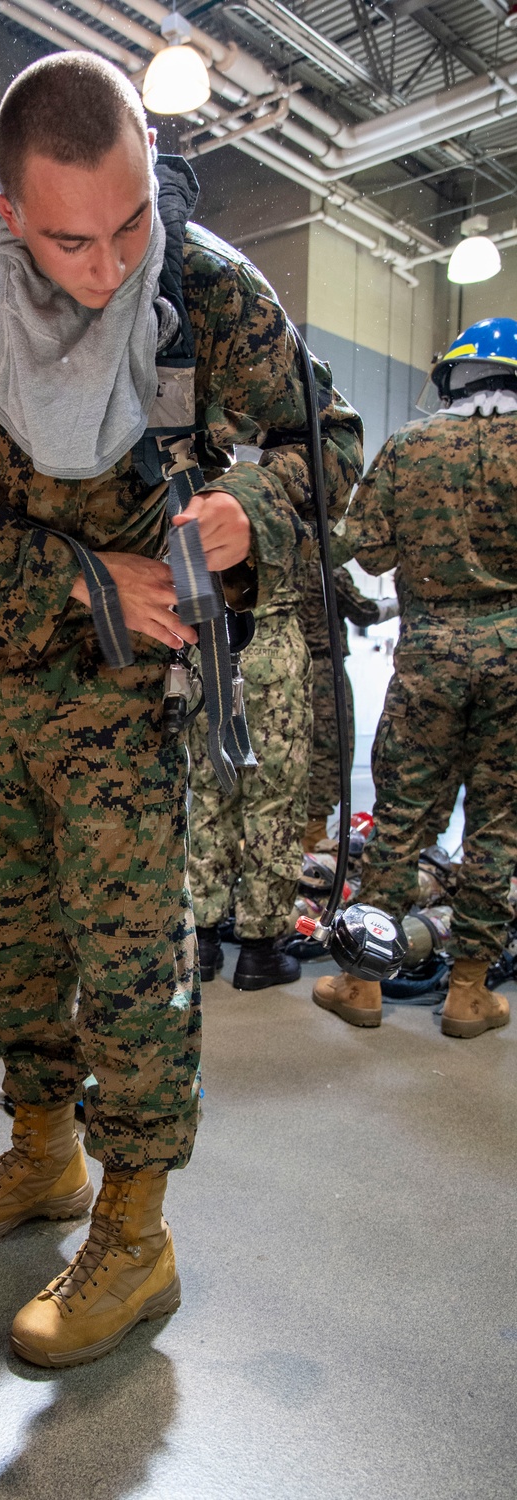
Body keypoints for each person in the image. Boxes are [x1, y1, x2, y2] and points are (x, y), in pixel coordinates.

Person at [0, 52, 363, 1367]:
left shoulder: (203, 288)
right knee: (5, 945)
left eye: (133, 219)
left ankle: (137, 1236)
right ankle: (43, 1157)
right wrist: (81, 579)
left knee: (137, 976)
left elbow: (334, 447)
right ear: (8, 211)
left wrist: (246, 513)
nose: (109, 263)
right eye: (73, 237)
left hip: (131, 711)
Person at [314, 317, 517, 1039]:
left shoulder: (412, 446)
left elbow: (361, 548)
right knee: (498, 825)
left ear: (454, 376)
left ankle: (363, 983)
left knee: (401, 818)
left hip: (430, 650)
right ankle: (468, 993)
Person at [188, 593, 311, 991]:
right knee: (273, 802)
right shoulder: (287, 524)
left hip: (206, 640)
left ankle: (201, 942)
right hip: (272, 644)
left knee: (208, 794)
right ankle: (260, 950)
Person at [298, 561, 396, 852]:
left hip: (278, 671)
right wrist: (403, 599)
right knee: (330, 750)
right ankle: (312, 831)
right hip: (323, 671)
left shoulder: (273, 563)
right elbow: (364, 612)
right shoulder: (324, 568)